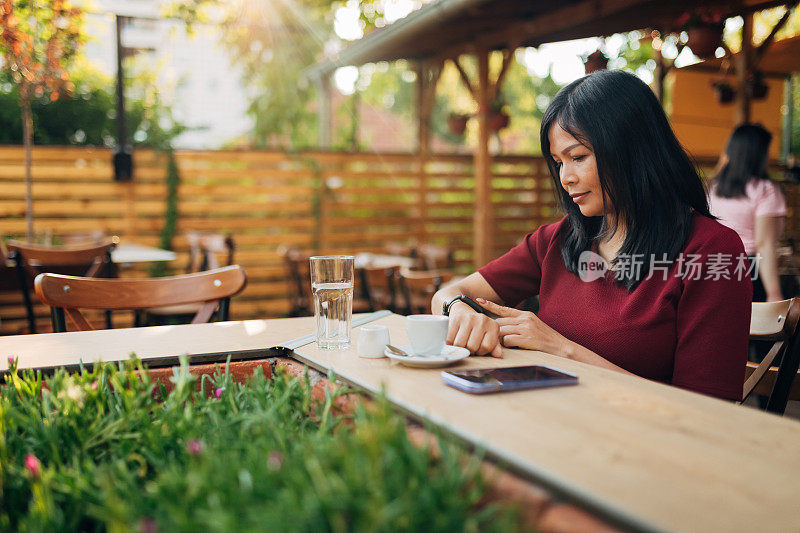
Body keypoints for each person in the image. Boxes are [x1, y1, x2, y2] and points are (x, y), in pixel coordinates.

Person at [432, 70, 752, 401]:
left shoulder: (713, 251)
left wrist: (562, 349)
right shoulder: (559, 240)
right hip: (544, 423)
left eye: (578, 157)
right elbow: (448, 293)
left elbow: (709, 410)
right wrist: (459, 309)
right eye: (558, 162)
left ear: (631, 149)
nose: (565, 177)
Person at [708, 124, 786, 302]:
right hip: (749, 270)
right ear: (758, 154)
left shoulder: (714, 188)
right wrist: (774, 293)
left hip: (713, 268)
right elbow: (763, 243)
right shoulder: (765, 190)